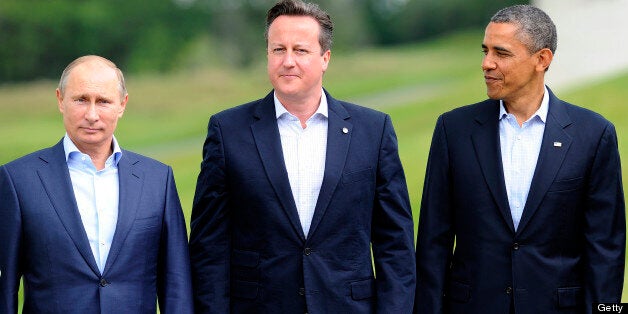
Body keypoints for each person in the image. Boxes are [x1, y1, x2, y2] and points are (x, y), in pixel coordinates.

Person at [189, 0, 416, 313]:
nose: (288, 61)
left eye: (301, 50)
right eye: (278, 49)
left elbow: (395, 243)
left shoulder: (373, 130)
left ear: (325, 58)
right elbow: (208, 246)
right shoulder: (228, 132)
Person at [414, 4, 625, 313]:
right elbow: (434, 242)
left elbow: (605, 250)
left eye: (502, 53)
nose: (487, 63)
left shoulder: (594, 135)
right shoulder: (453, 130)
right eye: (485, 51)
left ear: (542, 59)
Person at [0, 55, 193, 313]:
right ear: (60, 100)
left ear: (122, 105)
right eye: (81, 99)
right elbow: (6, 287)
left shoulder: (158, 180)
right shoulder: (18, 179)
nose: (92, 114)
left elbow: (176, 283)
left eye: (103, 101)